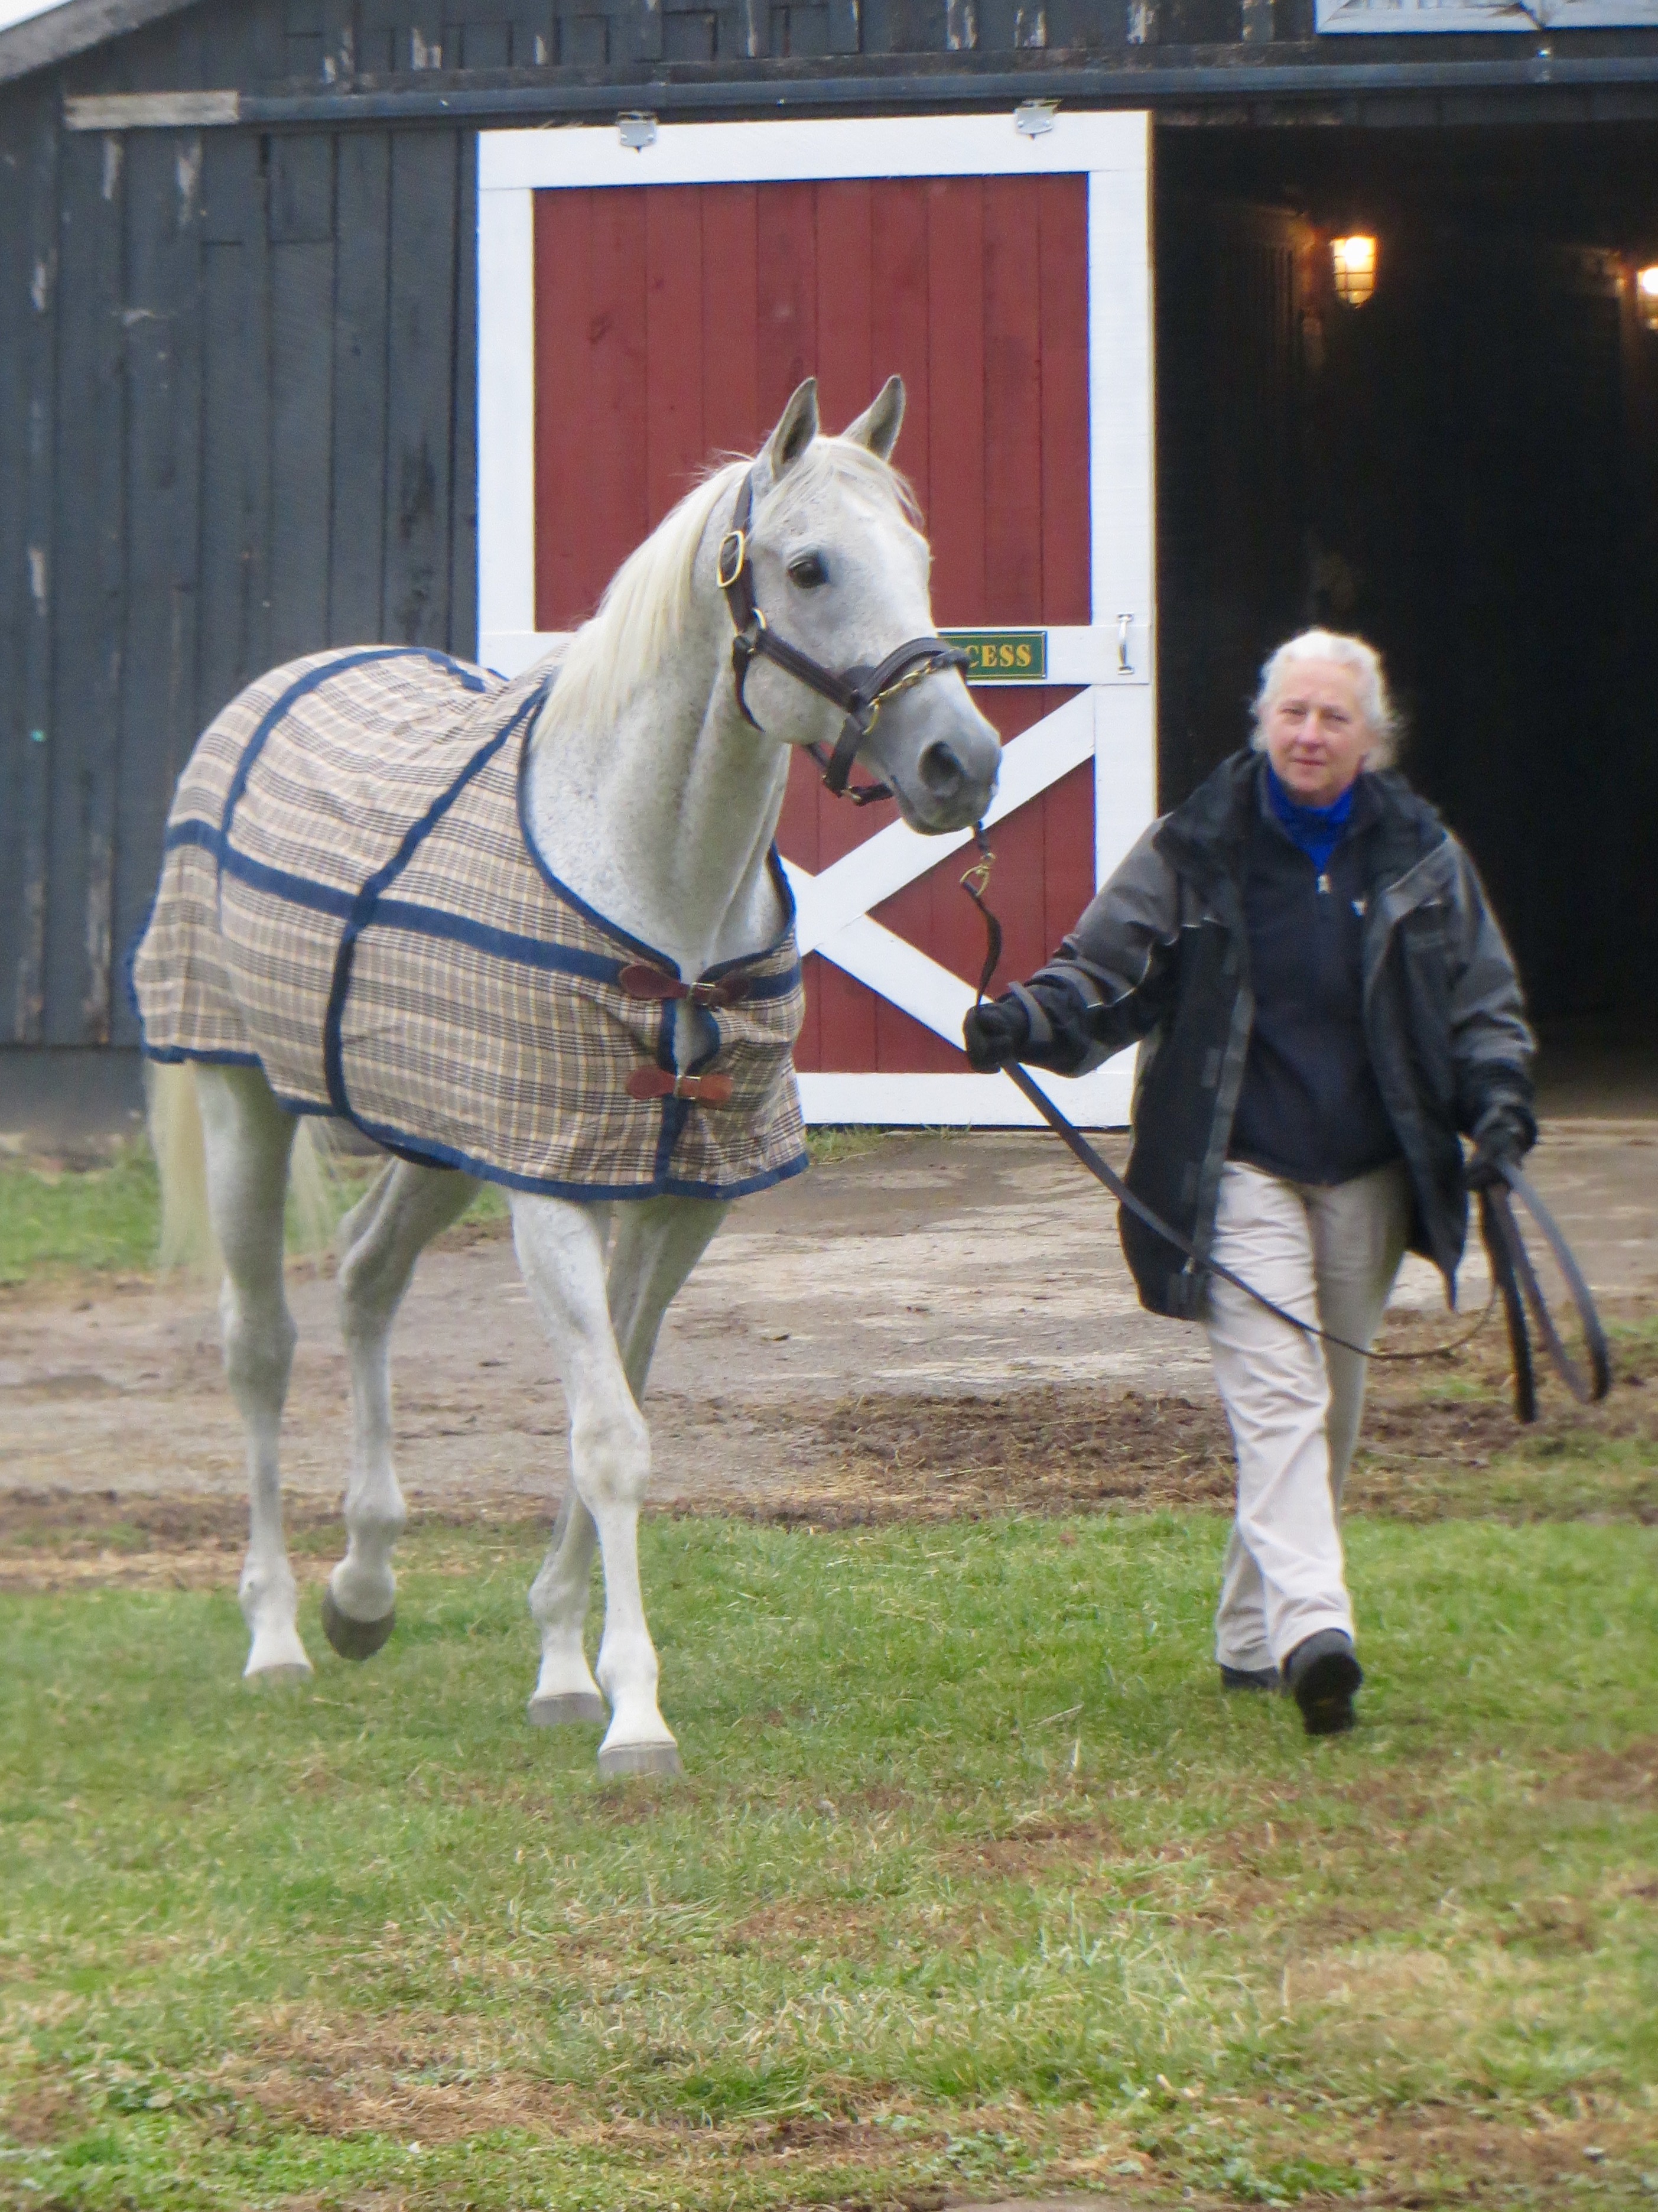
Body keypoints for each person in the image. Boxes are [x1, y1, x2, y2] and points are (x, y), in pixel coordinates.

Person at [963, 629, 1535, 1736]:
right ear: (1262, 723)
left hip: (1369, 1172)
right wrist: (1027, 1018)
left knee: (1331, 1411)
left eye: (1332, 718)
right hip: (1239, 1167)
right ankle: (1318, 1631)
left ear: (1372, 739)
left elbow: (1480, 1003)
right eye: (1292, 713)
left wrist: (1499, 1107)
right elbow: (1105, 964)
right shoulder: (1199, 843)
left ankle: (1245, 1634)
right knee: (1279, 1399)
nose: (1309, 734)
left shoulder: (1419, 854)